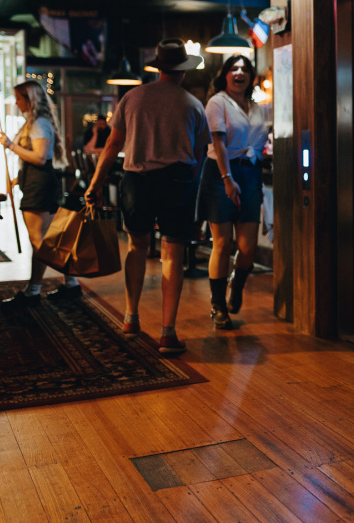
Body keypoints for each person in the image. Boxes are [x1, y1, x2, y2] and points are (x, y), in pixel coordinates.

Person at [85, 38, 211, 355]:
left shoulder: (133, 97)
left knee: (136, 246)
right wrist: (190, 188)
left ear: (158, 67)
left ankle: (130, 317)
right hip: (177, 181)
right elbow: (199, 156)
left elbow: (112, 145)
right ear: (183, 69)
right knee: (172, 254)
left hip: (136, 181)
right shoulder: (193, 104)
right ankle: (168, 333)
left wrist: (95, 184)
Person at [197, 54, 269, 329]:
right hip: (220, 173)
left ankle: (236, 285)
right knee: (223, 243)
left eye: (245, 69)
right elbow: (219, 142)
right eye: (234, 69)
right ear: (225, 74)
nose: (240, 73)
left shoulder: (257, 107)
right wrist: (228, 178)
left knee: (248, 247)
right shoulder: (217, 102)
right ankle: (217, 305)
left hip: (250, 173)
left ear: (251, 76)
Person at [0, 80, 83, 308]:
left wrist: (10, 145)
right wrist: (18, 179)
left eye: (19, 98)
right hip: (38, 184)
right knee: (42, 240)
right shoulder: (36, 122)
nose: (16, 102)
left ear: (30, 100)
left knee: (41, 242)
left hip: (40, 186)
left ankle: (56, 285)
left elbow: (40, 157)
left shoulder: (39, 123)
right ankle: (48, 287)